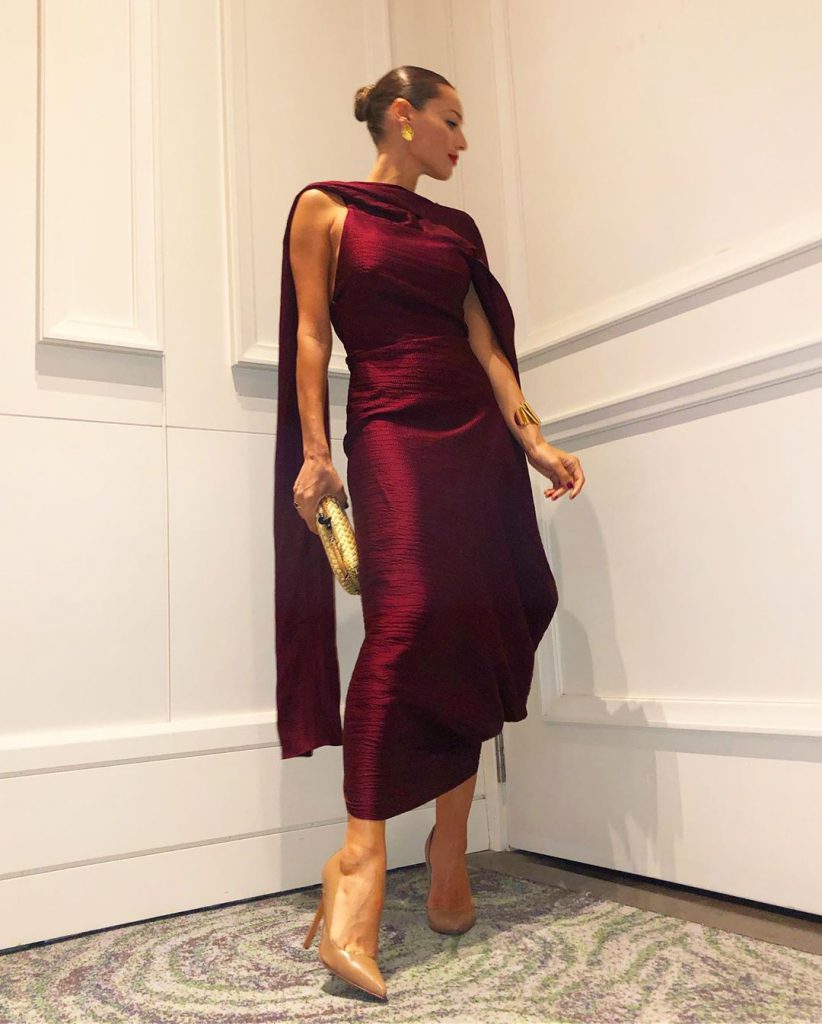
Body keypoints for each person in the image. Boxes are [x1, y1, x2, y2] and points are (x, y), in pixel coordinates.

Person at [273, 65, 586, 1000]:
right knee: (407, 623)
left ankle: (450, 849)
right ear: (402, 118)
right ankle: (358, 863)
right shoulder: (325, 210)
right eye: (452, 121)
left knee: (476, 624)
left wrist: (533, 441)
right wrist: (318, 453)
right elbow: (312, 338)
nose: (463, 140)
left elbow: (487, 346)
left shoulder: (457, 230)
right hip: (391, 428)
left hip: (474, 438)